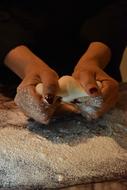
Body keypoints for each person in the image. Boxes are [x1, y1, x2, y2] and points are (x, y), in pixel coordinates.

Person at [0, 0, 127, 122]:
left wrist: (94, 60)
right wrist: (28, 66)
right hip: (14, 67)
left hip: (95, 74)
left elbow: (117, 6)